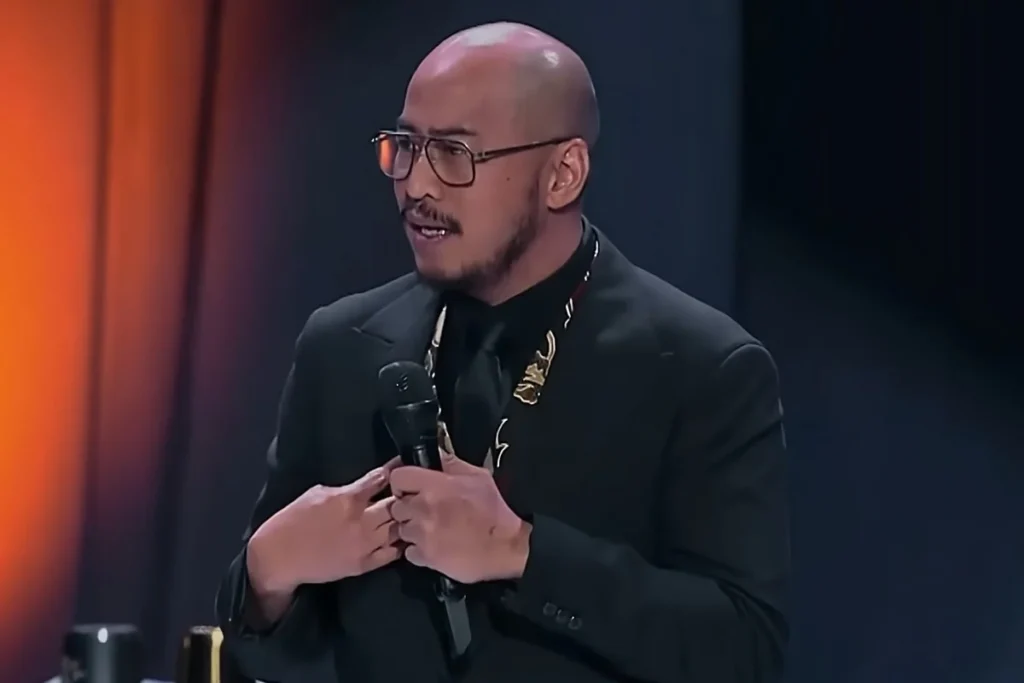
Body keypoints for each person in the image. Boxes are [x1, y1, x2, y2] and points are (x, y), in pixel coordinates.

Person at [216, 21, 790, 683]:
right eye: (406, 146)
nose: (416, 185)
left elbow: (744, 651)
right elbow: (269, 654)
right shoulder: (340, 347)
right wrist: (267, 574)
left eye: (453, 152)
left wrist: (523, 553)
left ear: (562, 174)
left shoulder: (700, 369)